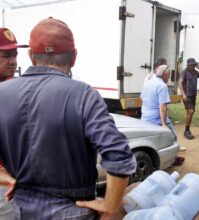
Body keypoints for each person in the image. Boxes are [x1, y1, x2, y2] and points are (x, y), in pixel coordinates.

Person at [0, 17, 136, 219]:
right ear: (74, 57)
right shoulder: (84, 95)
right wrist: (110, 205)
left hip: (22, 209)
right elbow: (119, 156)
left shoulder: (2, 93)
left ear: (30, 56)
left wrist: (5, 177)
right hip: (73, 209)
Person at [0, 27, 27, 220]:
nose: (13, 61)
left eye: (15, 55)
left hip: (20, 179)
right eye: (5, 55)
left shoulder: (17, 86)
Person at [141, 65, 178, 144]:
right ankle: (174, 149)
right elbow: (163, 106)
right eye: (169, 75)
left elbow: (142, 98)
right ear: (165, 75)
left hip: (145, 116)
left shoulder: (148, 82)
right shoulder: (162, 86)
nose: (169, 78)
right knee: (173, 137)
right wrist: (164, 124)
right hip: (156, 118)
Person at [178, 58, 199, 140]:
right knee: (190, 111)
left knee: (190, 112)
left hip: (193, 95)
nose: (193, 66)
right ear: (188, 65)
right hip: (186, 96)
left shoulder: (195, 72)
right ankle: (186, 131)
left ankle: (187, 129)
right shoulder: (184, 72)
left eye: (194, 65)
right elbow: (180, 82)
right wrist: (183, 94)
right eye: (192, 65)